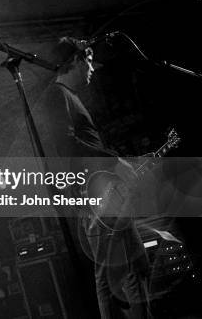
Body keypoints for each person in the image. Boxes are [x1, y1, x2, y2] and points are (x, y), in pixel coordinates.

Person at [40, 37, 151, 319]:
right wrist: (114, 161)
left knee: (135, 265)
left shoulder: (69, 96)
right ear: (76, 60)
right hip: (96, 195)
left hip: (104, 190)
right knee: (109, 274)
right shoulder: (57, 95)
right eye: (88, 60)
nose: (93, 68)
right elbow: (67, 145)